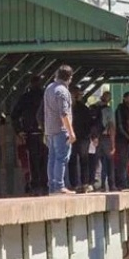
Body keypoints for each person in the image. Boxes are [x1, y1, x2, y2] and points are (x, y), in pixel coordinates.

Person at [11, 75, 47, 195]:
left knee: (33, 160)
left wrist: (19, 130)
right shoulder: (45, 96)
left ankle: (36, 185)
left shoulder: (25, 97)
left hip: (30, 132)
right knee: (46, 159)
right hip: (45, 132)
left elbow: (14, 115)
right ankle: (45, 185)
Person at [43, 65, 76, 195]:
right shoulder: (62, 91)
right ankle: (59, 186)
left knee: (52, 157)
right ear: (70, 77)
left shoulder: (49, 88)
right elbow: (64, 113)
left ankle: (52, 187)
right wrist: (71, 132)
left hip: (50, 129)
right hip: (61, 130)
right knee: (61, 158)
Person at [68, 88, 93, 192]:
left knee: (83, 160)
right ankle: (75, 184)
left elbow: (89, 123)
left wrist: (88, 135)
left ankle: (84, 183)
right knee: (73, 160)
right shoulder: (68, 108)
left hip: (82, 137)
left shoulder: (83, 108)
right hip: (73, 137)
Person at [95, 91, 117, 192]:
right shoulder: (108, 110)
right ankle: (111, 185)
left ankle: (98, 184)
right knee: (109, 162)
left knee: (96, 162)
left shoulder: (93, 108)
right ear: (109, 100)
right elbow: (111, 127)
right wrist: (113, 144)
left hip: (94, 138)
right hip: (106, 138)